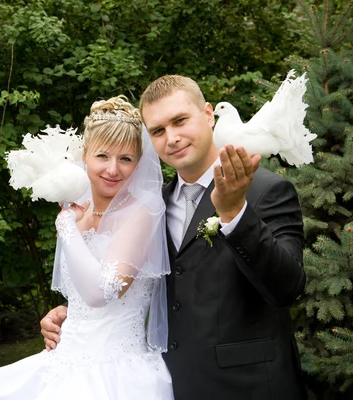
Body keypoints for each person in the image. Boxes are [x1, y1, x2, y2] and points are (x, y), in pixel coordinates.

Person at [41, 76, 307, 400]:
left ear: (208, 114)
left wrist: (235, 213)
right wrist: (75, 315)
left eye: (180, 121)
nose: (172, 138)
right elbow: (137, 285)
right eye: (158, 130)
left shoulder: (266, 191)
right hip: (172, 383)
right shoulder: (154, 206)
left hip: (248, 387)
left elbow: (288, 288)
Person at [0, 95, 174, 400]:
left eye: (126, 158)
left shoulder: (142, 212)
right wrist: (63, 312)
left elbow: (102, 292)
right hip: (63, 366)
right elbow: (81, 301)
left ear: (138, 163)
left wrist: (66, 227)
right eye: (103, 156)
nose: (113, 169)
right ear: (84, 156)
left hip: (118, 376)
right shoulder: (78, 211)